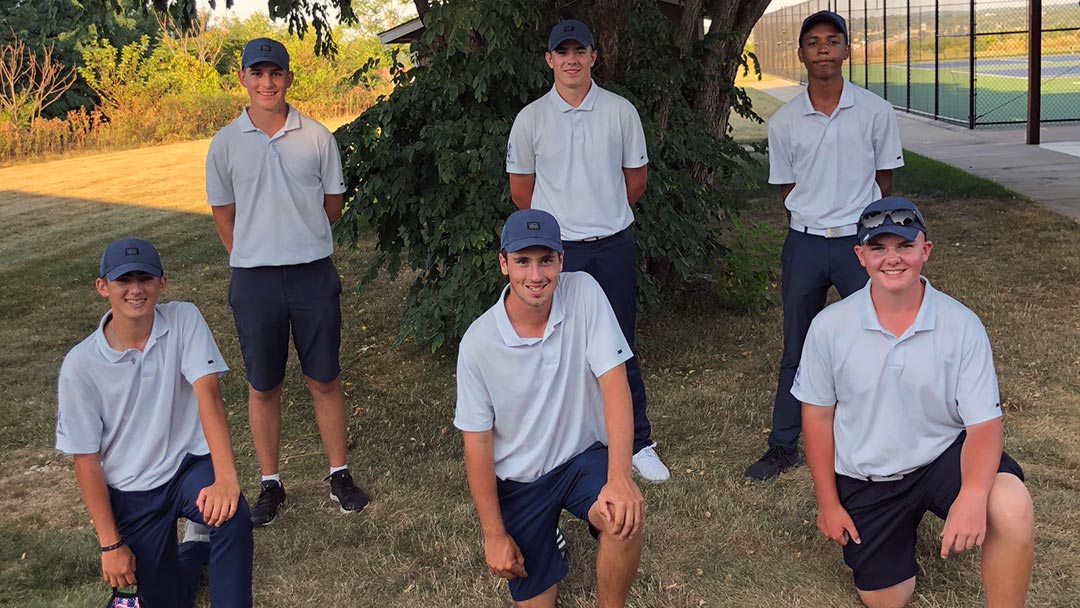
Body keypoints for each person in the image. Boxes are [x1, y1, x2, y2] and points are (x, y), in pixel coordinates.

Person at [795, 198, 1034, 607]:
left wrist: (974, 497)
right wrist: (828, 503)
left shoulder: (962, 325)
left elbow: (983, 425)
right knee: (886, 599)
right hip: (870, 476)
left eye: (904, 246)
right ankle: (898, 532)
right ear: (861, 256)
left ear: (925, 251)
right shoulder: (830, 327)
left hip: (941, 457)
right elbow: (817, 416)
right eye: (878, 248)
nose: (893, 259)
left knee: (1011, 506)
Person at [205, 37, 369, 527]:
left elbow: (332, 207)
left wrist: (298, 242)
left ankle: (339, 474)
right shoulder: (225, 143)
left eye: (275, 73)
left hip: (312, 274)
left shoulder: (316, 137)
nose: (267, 82)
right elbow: (224, 214)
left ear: (288, 79)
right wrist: (253, 255)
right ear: (243, 79)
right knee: (263, 385)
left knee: (324, 377)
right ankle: (270, 484)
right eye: (257, 73)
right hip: (254, 281)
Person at [456, 209, 645, 607]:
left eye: (546, 260)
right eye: (523, 261)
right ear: (504, 263)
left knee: (622, 519)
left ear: (562, 260)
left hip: (580, 459)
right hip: (520, 481)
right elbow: (477, 444)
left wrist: (620, 477)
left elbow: (614, 384)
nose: (536, 275)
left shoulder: (585, 293)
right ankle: (545, 535)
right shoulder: (477, 344)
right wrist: (493, 534)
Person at [746, 10, 906, 481]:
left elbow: (885, 180)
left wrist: (862, 230)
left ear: (846, 50)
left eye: (832, 41)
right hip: (807, 245)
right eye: (813, 42)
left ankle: (878, 436)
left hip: (860, 248)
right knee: (798, 347)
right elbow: (786, 191)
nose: (822, 50)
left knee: (876, 341)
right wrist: (814, 218)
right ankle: (782, 445)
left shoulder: (875, 111)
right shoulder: (785, 121)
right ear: (801, 53)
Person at [506, 19, 669, 483]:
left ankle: (638, 442)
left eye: (581, 51)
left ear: (594, 57)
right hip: (557, 254)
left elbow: (634, 183)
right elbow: (523, 194)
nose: (572, 59)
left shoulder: (620, 112)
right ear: (550, 60)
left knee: (620, 346)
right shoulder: (531, 119)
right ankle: (562, 441)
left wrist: (602, 215)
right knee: (554, 347)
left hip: (612, 246)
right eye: (564, 52)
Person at [56, 238, 253, 608]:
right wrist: (110, 544)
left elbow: (208, 394)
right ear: (103, 287)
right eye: (123, 280)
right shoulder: (79, 366)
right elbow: (85, 459)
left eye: (145, 278)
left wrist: (226, 480)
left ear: (162, 283)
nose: (136, 289)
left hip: (187, 467)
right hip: (131, 492)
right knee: (169, 598)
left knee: (232, 515)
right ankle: (195, 545)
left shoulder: (183, 317)